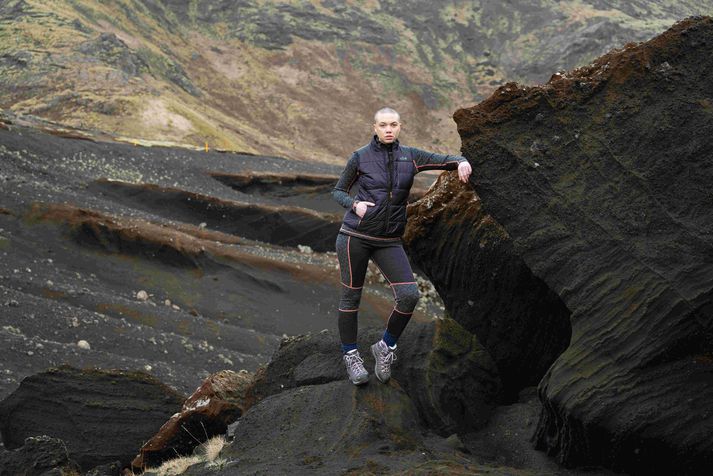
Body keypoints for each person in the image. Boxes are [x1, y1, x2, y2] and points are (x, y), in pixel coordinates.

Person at [332, 107, 472, 385]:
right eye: (383, 124)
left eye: (393, 124)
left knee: (409, 296)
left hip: (389, 241)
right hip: (354, 237)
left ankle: (386, 347)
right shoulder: (360, 157)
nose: (388, 129)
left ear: (399, 127)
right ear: (374, 127)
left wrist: (462, 162)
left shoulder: (411, 156)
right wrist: (354, 205)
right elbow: (338, 190)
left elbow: (444, 160)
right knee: (351, 298)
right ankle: (351, 356)